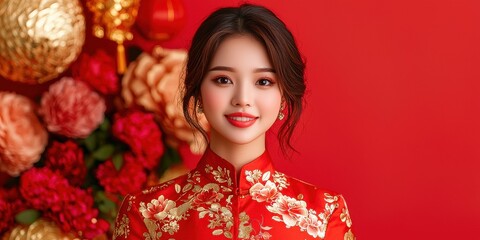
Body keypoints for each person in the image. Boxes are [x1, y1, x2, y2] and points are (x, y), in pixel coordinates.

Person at [113, 4, 354, 240]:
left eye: (263, 81)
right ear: (197, 92)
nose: (243, 99)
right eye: (223, 80)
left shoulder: (324, 214)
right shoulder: (145, 214)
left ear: (283, 97)